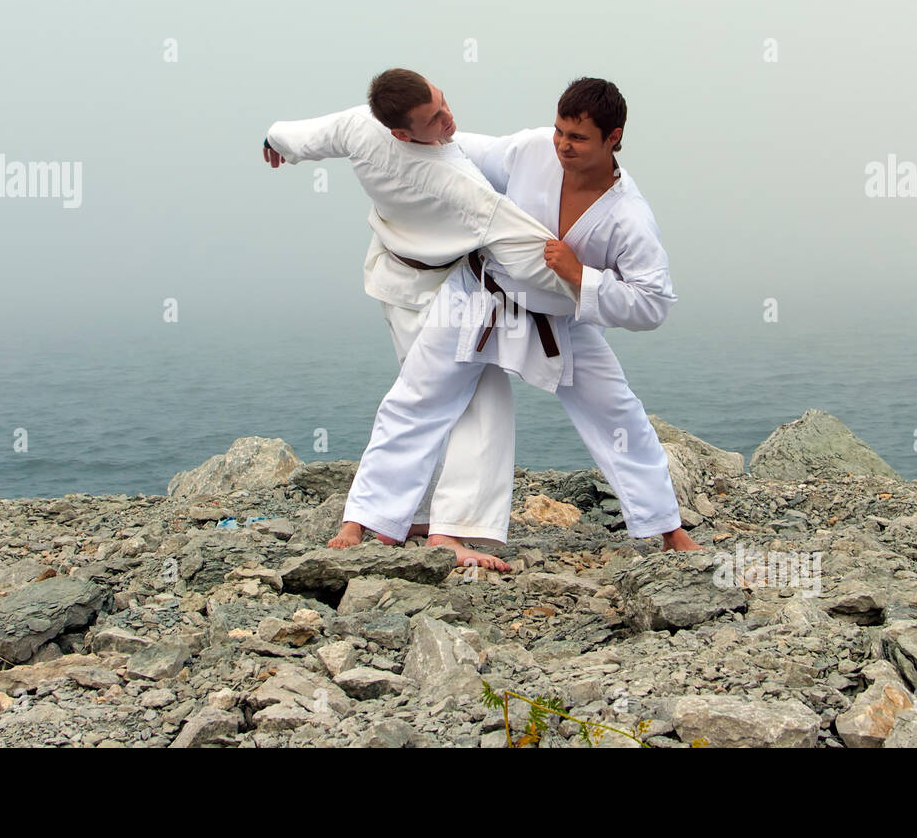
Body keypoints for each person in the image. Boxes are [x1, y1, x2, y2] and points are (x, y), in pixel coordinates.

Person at [338, 78, 704, 553]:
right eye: (559, 131)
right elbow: (460, 152)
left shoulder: (628, 217)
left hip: (556, 318)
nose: (563, 146)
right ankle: (368, 518)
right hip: (479, 295)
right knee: (415, 399)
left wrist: (582, 277)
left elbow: (653, 303)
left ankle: (665, 526)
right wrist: (405, 133)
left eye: (578, 138)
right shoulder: (534, 150)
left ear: (613, 138)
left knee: (617, 412)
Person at [263, 68, 578, 570]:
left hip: (393, 278)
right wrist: (591, 285)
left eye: (443, 101)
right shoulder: (450, 179)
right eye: (434, 118)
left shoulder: (359, 124)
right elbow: (524, 243)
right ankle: (451, 532)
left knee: (417, 399)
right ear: (401, 133)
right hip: (442, 294)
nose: (448, 117)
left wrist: (275, 140)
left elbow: (307, 135)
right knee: (478, 402)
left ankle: (387, 516)